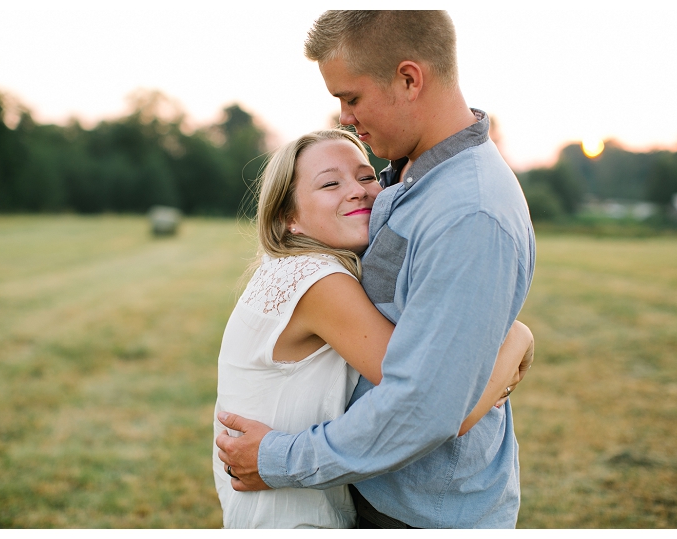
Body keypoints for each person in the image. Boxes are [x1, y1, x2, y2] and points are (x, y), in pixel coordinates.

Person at [217, 10, 535, 528]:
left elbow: (426, 405)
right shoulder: (408, 178)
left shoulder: (469, 211)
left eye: (351, 97)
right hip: (368, 489)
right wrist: (516, 340)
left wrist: (277, 459)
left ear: (409, 79)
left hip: (423, 513)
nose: (343, 116)